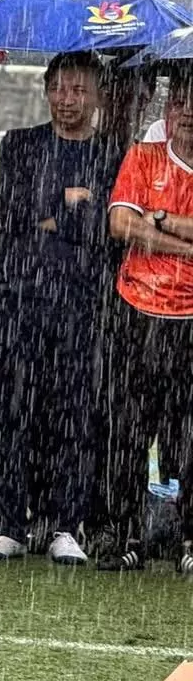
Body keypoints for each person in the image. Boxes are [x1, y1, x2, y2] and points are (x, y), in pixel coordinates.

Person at [0, 51, 112, 564]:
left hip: (82, 304)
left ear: (96, 95)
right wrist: (69, 202)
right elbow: (14, 211)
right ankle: (8, 522)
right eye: (60, 88)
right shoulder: (20, 144)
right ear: (46, 90)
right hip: (16, 298)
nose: (68, 100)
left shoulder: (110, 154)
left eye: (79, 90)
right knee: (11, 409)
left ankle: (64, 524)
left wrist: (56, 212)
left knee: (74, 412)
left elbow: (106, 231)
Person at [92, 65, 193, 573]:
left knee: (187, 434)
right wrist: (181, 240)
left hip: (189, 321)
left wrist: (160, 218)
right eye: (181, 99)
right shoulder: (143, 155)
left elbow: (141, 222)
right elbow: (119, 223)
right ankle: (124, 533)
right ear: (169, 107)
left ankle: (186, 540)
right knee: (126, 430)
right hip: (135, 311)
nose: (189, 111)